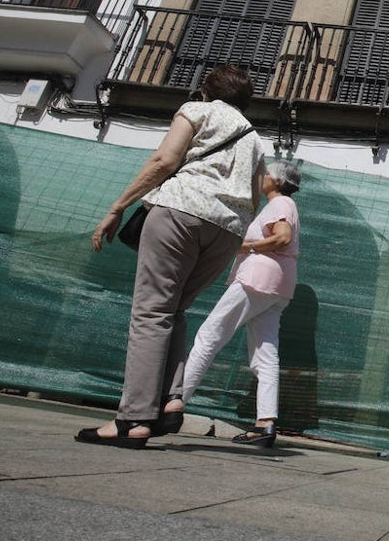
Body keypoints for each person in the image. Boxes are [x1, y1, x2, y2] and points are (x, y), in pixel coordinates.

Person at [78, 64, 266, 449]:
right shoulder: (255, 139)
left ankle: (132, 420)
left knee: (151, 311)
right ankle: (169, 400)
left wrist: (117, 207)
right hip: (228, 230)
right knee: (175, 310)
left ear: (204, 91)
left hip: (180, 213)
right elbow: (254, 196)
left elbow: (165, 161)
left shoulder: (196, 110)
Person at [181, 160, 302, 449]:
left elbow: (282, 238)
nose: (260, 178)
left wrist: (246, 247)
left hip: (257, 279)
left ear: (275, 179)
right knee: (265, 354)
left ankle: (171, 404)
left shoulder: (280, 203)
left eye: (265, 174)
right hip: (279, 287)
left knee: (210, 335)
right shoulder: (281, 205)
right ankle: (265, 423)